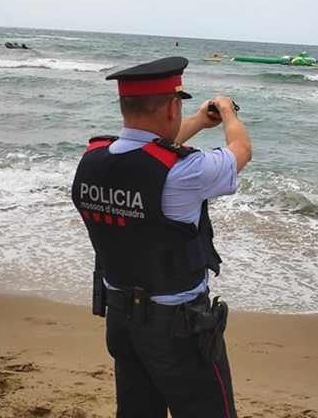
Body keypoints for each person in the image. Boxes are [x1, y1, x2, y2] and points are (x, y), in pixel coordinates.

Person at [71, 56, 252, 418]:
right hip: (177, 327)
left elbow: (151, 154)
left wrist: (200, 120)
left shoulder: (93, 160)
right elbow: (241, 152)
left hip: (122, 320)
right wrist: (228, 113)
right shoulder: (184, 174)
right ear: (172, 106)